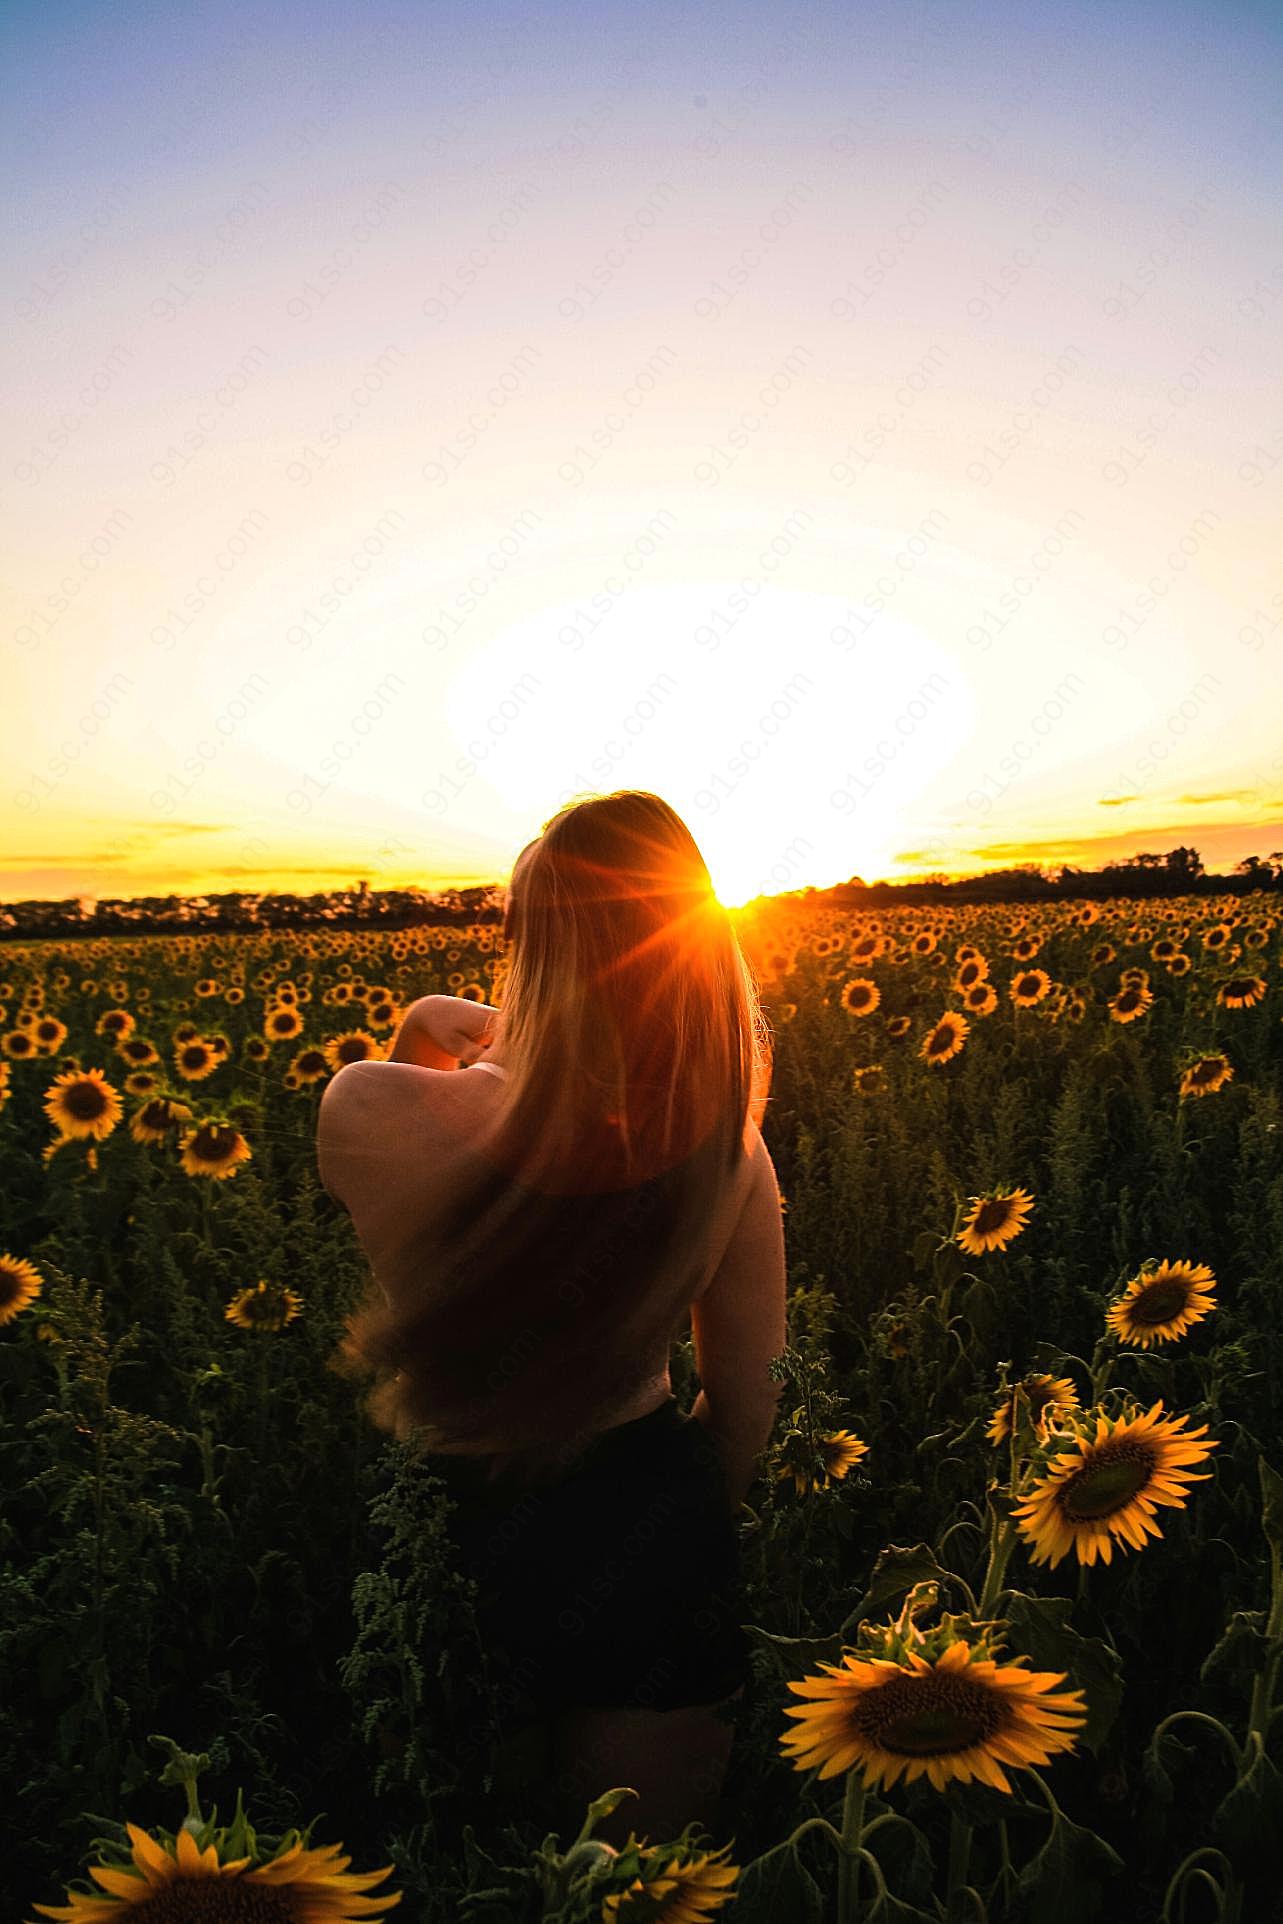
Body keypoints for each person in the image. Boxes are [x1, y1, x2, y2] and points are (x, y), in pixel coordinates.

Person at [317, 791, 788, 1848]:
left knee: (465, 1862)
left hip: (452, 1520)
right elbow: (747, 1405)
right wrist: (673, 1531)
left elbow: (390, 1182)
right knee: (638, 1885)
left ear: (523, 944)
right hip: (645, 1523)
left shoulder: (369, 1107)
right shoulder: (728, 1155)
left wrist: (415, 1028)